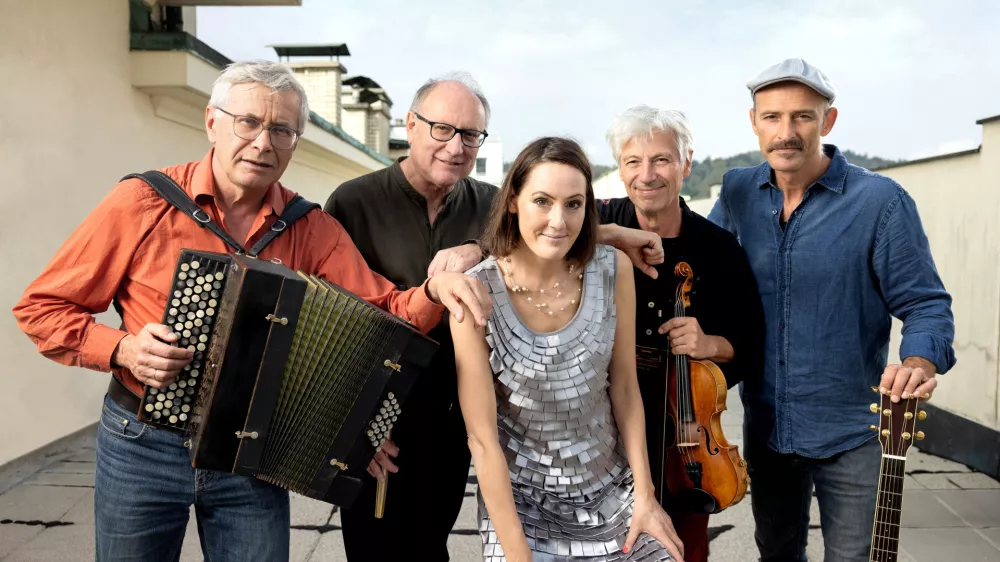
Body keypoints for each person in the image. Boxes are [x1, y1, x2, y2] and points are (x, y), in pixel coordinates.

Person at [12, 60, 491, 562]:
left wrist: (435, 292)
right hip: (142, 444)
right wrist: (123, 349)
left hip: (253, 449)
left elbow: (387, 310)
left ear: (295, 141)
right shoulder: (143, 202)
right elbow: (42, 308)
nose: (264, 143)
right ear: (212, 122)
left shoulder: (309, 227)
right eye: (249, 122)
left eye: (282, 130)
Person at [327, 75, 672, 561]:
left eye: (471, 135)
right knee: (375, 550)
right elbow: (331, 319)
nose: (456, 146)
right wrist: (353, 421)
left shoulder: (487, 200)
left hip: (455, 418)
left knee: (429, 548)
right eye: (443, 129)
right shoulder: (353, 201)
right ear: (410, 125)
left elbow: (545, 229)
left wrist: (612, 233)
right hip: (381, 421)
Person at [708, 58, 956, 561]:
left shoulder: (881, 202)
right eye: (772, 117)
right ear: (753, 122)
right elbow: (704, 269)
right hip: (767, 425)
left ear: (829, 121)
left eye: (802, 116)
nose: (787, 132)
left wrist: (917, 362)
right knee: (776, 554)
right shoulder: (737, 192)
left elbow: (927, 304)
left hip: (854, 430)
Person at [453, 136, 688, 562]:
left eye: (574, 204)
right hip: (521, 504)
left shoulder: (612, 268)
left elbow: (625, 391)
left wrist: (646, 497)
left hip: (613, 493)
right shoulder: (475, 292)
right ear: (513, 202)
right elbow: (483, 440)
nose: (558, 221)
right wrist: (518, 555)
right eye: (542, 201)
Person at [597, 105, 765, 562]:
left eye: (662, 160)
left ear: (686, 165)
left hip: (687, 443)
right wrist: (611, 234)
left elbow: (752, 344)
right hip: (601, 431)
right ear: (620, 169)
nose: (647, 175)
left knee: (683, 551)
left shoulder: (718, 248)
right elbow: (532, 233)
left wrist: (710, 344)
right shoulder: (596, 221)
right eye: (633, 162)